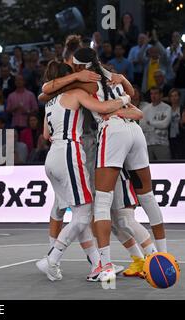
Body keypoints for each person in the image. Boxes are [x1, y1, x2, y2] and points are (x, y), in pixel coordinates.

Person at [72, 48, 168, 282]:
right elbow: (133, 97)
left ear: (78, 65)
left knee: (102, 203)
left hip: (113, 130)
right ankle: (163, 256)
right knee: (147, 196)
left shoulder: (84, 80)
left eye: (73, 66)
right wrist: (124, 85)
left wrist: (73, 77)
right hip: (134, 131)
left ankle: (104, 265)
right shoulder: (112, 74)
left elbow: (48, 90)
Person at [36, 61, 129, 282]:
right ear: (68, 77)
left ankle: (97, 264)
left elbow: (45, 135)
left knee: (79, 214)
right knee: (84, 213)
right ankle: (52, 259)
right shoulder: (75, 93)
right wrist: (125, 99)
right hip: (70, 152)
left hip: (52, 157)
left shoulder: (49, 101)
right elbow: (104, 108)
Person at [139, 87, 172, 160]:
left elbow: (164, 124)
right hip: (148, 143)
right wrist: (156, 125)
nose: (153, 96)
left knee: (164, 167)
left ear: (161, 95)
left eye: (156, 93)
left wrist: (150, 123)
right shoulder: (145, 109)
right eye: (151, 94)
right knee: (149, 168)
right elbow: (142, 126)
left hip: (162, 143)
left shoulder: (167, 108)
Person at [168, 89, 185, 159]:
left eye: (176, 95)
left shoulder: (182, 109)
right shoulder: (167, 109)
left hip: (180, 137)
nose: (174, 98)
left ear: (179, 97)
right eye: (172, 96)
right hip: (169, 137)